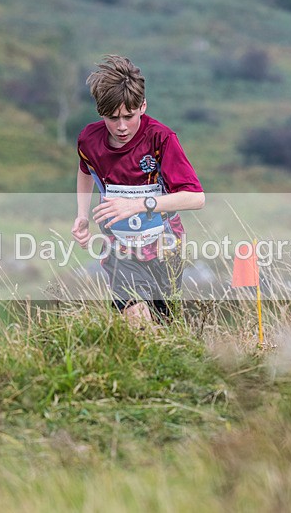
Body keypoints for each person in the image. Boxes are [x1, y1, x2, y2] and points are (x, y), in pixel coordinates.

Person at [71, 54, 205, 325]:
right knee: (136, 318)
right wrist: (82, 214)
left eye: (129, 116)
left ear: (142, 106)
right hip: (119, 245)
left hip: (164, 244)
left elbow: (196, 198)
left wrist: (141, 204)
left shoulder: (161, 138)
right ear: (100, 113)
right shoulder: (89, 139)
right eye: (113, 118)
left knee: (164, 324)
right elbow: (86, 170)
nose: (121, 126)